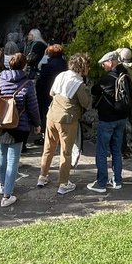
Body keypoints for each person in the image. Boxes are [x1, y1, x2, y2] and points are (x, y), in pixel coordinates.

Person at [0, 52, 39, 207]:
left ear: (8, 64)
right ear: (24, 65)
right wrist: (37, 124)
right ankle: (7, 195)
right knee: (13, 160)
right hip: (18, 126)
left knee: (1, 157)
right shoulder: (27, 84)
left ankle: (2, 185)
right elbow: (33, 107)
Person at [39, 52, 93, 195]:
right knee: (66, 152)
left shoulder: (61, 75)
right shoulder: (79, 84)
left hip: (51, 115)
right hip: (67, 120)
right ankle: (63, 184)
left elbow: (51, 93)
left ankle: (42, 177)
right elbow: (86, 103)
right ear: (83, 67)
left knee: (48, 148)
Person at [88, 50, 132, 193]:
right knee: (116, 150)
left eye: (104, 63)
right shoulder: (126, 76)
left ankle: (101, 183)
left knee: (102, 151)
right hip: (121, 119)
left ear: (111, 62)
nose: (103, 66)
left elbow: (94, 90)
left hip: (107, 120)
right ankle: (117, 180)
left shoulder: (107, 79)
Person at [32, 44, 67, 134]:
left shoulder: (47, 66)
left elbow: (42, 81)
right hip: (62, 92)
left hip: (47, 92)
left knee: (47, 113)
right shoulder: (65, 64)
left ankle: (47, 133)